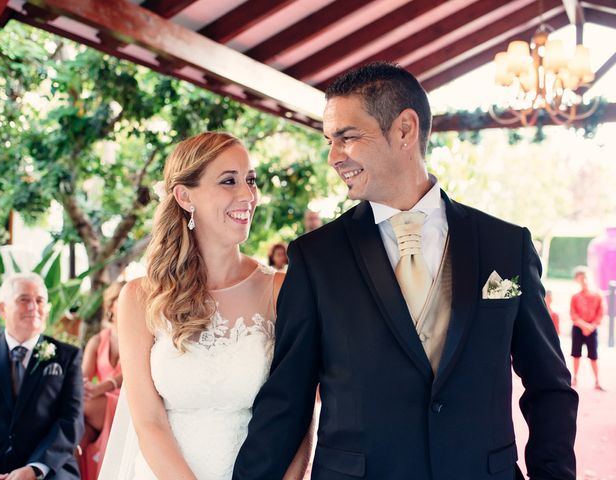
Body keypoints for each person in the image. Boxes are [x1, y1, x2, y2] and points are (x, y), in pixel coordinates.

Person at [234, 63, 578, 479]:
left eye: (347, 137)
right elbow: (287, 399)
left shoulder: (506, 245)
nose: (332, 157)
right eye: (329, 141)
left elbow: (549, 385)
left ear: (404, 130)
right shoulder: (315, 257)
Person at [99, 132, 310, 480]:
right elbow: (148, 422)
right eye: (229, 181)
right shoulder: (139, 298)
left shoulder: (278, 291)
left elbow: (298, 413)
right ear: (184, 196)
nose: (247, 195)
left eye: (251, 180)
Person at [0, 272, 84, 480]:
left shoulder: (67, 356)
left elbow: (71, 419)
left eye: (39, 300)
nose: (33, 307)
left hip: (48, 467)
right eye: (23, 299)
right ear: (3, 309)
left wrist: (35, 468)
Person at [78, 282, 126, 479]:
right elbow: (83, 378)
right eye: (121, 298)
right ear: (111, 306)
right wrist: (84, 387)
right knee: (78, 438)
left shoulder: (141, 335)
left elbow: (131, 375)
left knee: (75, 405)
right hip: (98, 404)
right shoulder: (97, 340)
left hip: (126, 403)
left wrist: (101, 388)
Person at [570, 266, 604, 390]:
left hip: (592, 329)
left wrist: (591, 326)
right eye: (581, 279)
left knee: (594, 356)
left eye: (585, 278)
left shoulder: (598, 296)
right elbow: (573, 314)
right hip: (579, 328)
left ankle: (597, 381)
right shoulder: (575, 297)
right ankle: (575, 378)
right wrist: (584, 325)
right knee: (576, 354)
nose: (584, 281)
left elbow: (600, 314)